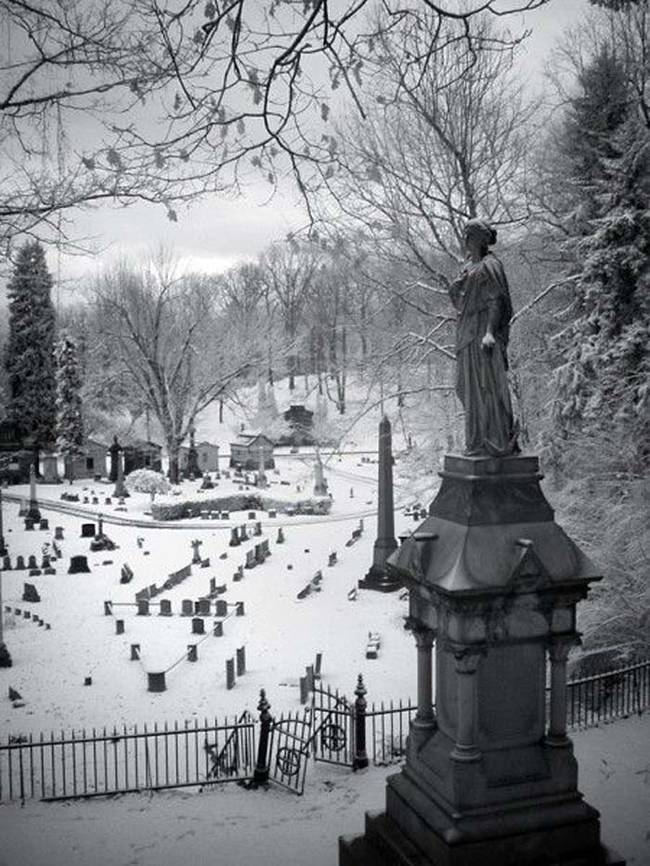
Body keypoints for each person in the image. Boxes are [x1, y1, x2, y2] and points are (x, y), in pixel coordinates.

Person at [448, 219, 519, 457]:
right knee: (465, 387)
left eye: (468, 236)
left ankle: (494, 439)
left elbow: (496, 300)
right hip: (467, 332)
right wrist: (454, 289)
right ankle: (476, 440)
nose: (465, 241)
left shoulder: (490, 265)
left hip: (482, 333)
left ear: (478, 239)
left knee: (487, 386)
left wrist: (490, 332)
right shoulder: (469, 266)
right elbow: (460, 305)